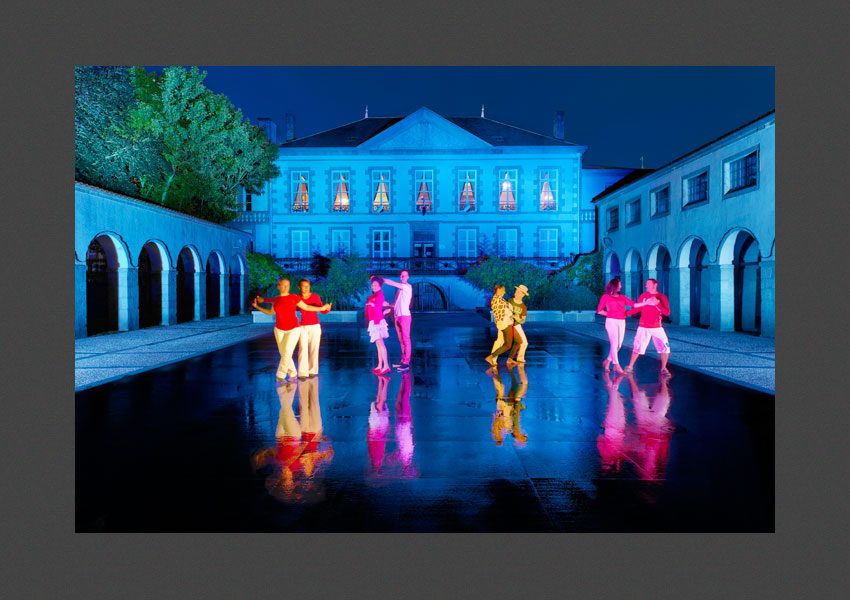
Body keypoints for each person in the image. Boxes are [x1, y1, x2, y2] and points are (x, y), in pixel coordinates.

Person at [253, 278, 332, 382]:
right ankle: (298, 372)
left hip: (303, 327)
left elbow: (310, 308)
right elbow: (274, 306)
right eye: (283, 285)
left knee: (301, 350)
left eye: (288, 285)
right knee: (293, 351)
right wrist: (260, 304)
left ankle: (287, 374)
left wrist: (324, 309)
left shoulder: (304, 297)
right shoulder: (286, 298)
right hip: (290, 328)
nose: (285, 287)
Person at [596, 277, 657, 374]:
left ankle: (607, 361)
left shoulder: (623, 297)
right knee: (614, 343)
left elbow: (634, 305)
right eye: (620, 284)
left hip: (622, 321)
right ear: (615, 285)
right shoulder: (606, 297)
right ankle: (616, 365)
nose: (621, 286)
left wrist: (646, 303)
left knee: (619, 344)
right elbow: (599, 310)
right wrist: (611, 314)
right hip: (611, 321)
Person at [624, 278, 671, 375]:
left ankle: (663, 368)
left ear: (655, 285)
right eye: (646, 284)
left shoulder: (662, 297)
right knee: (637, 347)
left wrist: (657, 304)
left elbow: (667, 312)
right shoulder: (643, 296)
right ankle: (630, 366)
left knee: (665, 347)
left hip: (657, 327)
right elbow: (638, 308)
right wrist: (626, 313)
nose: (646, 286)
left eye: (648, 284)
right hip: (643, 327)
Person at [378, 270, 413, 372]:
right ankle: (403, 362)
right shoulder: (399, 291)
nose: (402, 277)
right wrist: (388, 304)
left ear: (408, 277)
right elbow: (396, 305)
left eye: (404, 276)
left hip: (405, 317)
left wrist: (381, 280)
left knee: (406, 339)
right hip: (397, 317)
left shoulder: (407, 287)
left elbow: (392, 283)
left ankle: (406, 363)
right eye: (401, 276)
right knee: (401, 341)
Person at [296, 278, 329, 379]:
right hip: (302, 326)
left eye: (307, 286)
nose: (306, 288)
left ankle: (312, 371)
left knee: (314, 348)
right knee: (302, 348)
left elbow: (322, 311)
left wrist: (327, 308)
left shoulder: (315, 297)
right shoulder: (297, 298)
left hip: (315, 326)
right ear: (299, 287)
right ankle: (302, 372)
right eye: (303, 286)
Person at [365, 276, 392, 374]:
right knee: (378, 344)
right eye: (372, 285)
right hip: (373, 321)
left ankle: (386, 366)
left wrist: (373, 305)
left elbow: (377, 307)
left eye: (376, 285)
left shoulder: (379, 295)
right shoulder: (372, 296)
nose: (373, 286)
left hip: (377, 321)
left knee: (381, 344)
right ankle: (380, 365)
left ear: (380, 286)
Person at [485, 284, 514, 367]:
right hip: (504, 323)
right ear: (496, 291)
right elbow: (506, 311)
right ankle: (491, 357)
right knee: (508, 344)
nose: (502, 292)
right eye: (500, 290)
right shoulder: (498, 300)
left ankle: (493, 359)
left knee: (499, 341)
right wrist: (510, 309)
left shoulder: (499, 299)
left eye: (503, 290)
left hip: (502, 323)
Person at [507, 284, 530, 365]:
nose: (517, 293)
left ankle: (518, 358)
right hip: (508, 324)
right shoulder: (509, 301)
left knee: (523, 342)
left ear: (523, 295)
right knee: (517, 342)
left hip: (517, 325)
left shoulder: (523, 307)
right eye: (516, 291)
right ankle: (494, 358)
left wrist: (517, 318)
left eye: (520, 292)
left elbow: (523, 320)